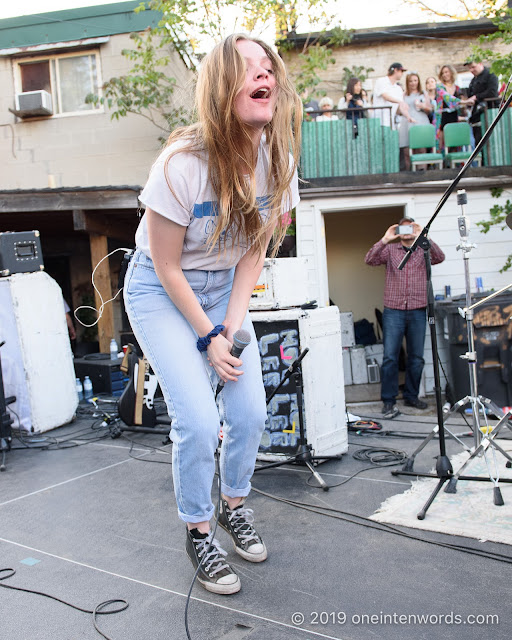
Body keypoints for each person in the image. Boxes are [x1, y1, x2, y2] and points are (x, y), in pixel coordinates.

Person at [123, 34, 301, 594]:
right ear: (223, 87)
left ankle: (233, 506)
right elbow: (168, 268)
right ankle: (199, 530)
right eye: (247, 69)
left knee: (249, 412)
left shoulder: (281, 163)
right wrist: (207, 339)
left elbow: (254, 252)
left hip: (225, 288)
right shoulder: (180, 166)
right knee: (199, 420)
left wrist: (228, 327)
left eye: (267, 66)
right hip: (161, 290)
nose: (263, 74)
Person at [364, 217, 445, 419]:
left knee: (416, 358)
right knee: (390, 357)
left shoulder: (423, 250)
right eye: (403, 228)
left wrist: (423, 236)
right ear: (398, 231)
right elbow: (369, 259)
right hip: (394, 310)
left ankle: (411, 396)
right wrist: (385, 239)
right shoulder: (390, 251)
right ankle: (388, 401)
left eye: (411, 227)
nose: (407, 231)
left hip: (418, 310)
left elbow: (440, 257)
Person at [399, 72, 432, 170]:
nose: (413, 83)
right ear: (407, 82)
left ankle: (422, 172)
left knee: (421, 148)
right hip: (407, 122)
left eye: (415, 80)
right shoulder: (404, 94)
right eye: (410, 81)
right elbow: (399, 109)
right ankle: (410, 173)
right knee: (407, 150)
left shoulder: (423, 93)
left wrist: (423, 106)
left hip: (421, 120)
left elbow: (429, 109)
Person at [465, 60, 499, 147]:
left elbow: (492, 92)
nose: (471, 70)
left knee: (490, 143)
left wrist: (476, 97)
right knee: (479, 143)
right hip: (477, 116)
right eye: (469, 68)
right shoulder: (473, 80)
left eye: (473, 67)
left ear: (480, 63)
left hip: (490, 114)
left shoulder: (491, 75)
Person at [373, 62, 414, 128]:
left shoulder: (398, 89)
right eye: (401, 71)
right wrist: (400, 102)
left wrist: (408, 116)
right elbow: (385, 96)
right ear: (395, 70)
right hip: (378, 121)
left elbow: (400, 107)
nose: (402, 74)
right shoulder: (381, 81)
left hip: (390, 122)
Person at [434, 64, 463, 151]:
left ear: (451, 72)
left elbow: (460, 106)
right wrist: (463, 101)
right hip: (442, 116)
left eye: (446, 72)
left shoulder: (457, 88)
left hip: (454, 116)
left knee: (454, 143)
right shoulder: (439, 87)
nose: (445, 74)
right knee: (441, 144)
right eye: (442, 73)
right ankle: (441, 164)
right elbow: (447, 97)